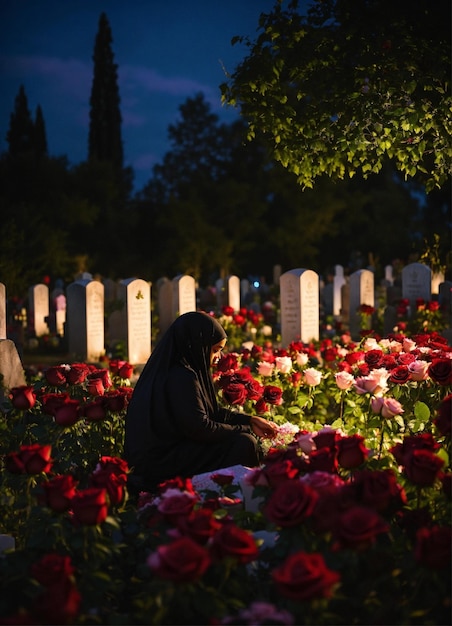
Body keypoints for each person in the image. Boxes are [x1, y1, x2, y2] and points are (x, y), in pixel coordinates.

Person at [124, 311, 278, 492]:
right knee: (243, 444)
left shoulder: (180, 369)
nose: (217, 358)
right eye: (214, 350)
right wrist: (246, 430)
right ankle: (240, 500)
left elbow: (211, 413)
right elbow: (201, 428)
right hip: (161, 461)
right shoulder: (181, 376)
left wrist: (250, 420)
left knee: (242, 440)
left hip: (169, 451)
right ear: (197, 346)